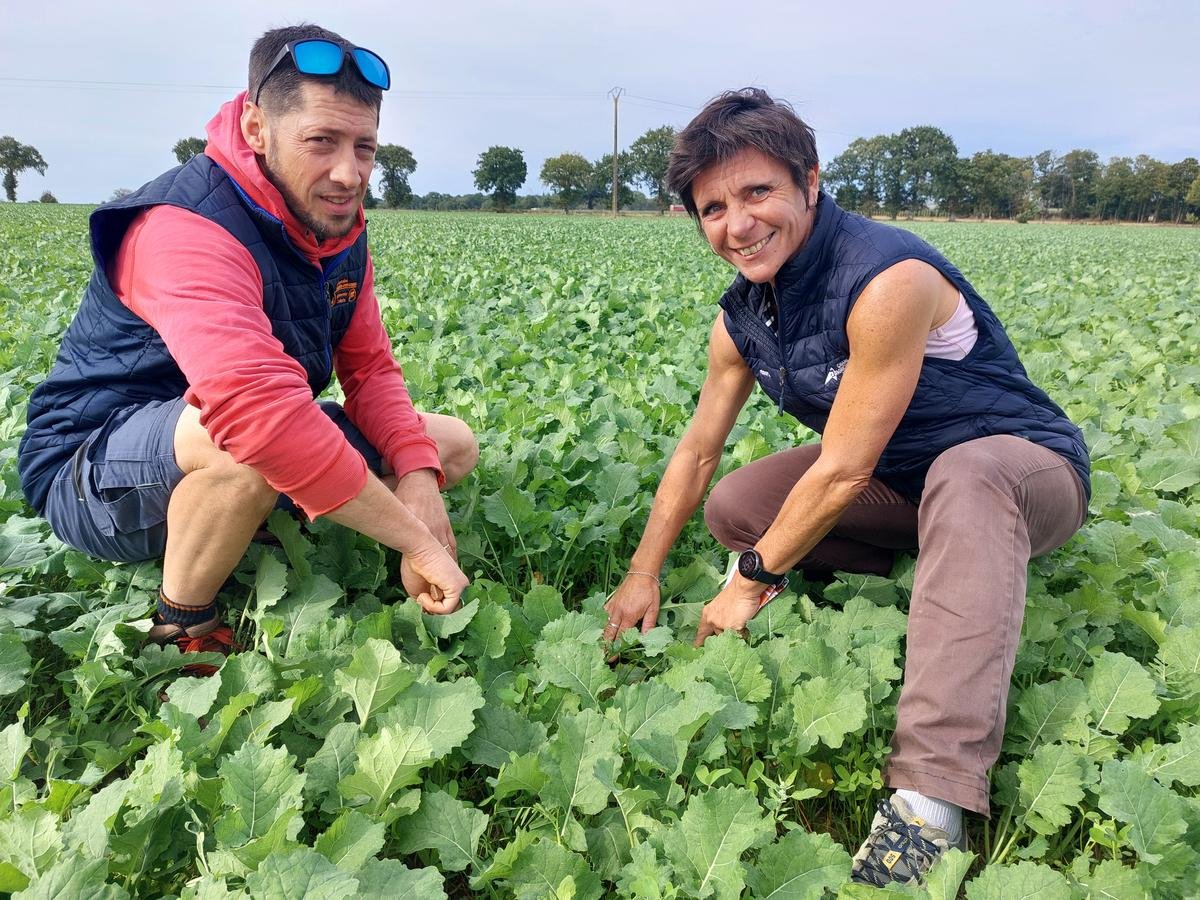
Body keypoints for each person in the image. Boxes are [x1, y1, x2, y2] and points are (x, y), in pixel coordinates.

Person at [602, 89, 1089, 887]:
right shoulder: (742, 319)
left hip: (1021, 469)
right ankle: (955, 573)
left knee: (964, 477)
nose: (737, 223)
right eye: (713, 207)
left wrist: (752, 581)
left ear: (811, 182)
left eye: (758, 192)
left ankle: (933, 797)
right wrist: (642, 574)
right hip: (910, 484)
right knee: (739, 505)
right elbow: (696, 452)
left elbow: (843, 468)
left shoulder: (887, 277)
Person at [18, 24, 476, 673]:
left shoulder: (335, 226)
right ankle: (183, 626)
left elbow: (369, 368)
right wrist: (419, 542)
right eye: (321, 142)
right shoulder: (184, 228)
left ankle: (248, 516)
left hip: (233, 438)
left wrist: (419, 478)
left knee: (448, 444)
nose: (349, 173)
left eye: (364, 146)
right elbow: (257, 416)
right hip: (93, 470)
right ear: (258, 130)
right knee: (245, 442)